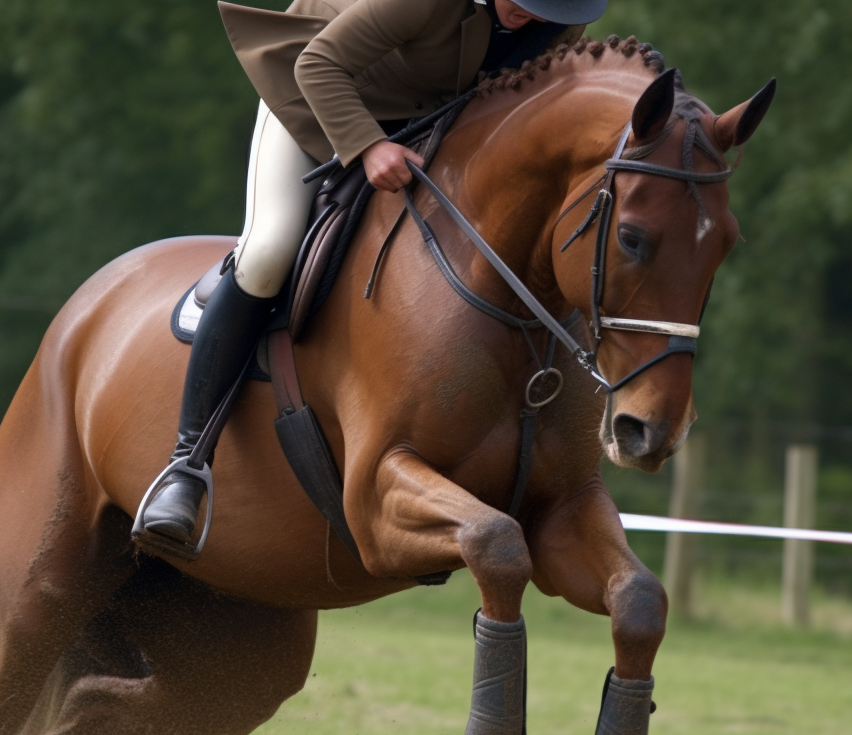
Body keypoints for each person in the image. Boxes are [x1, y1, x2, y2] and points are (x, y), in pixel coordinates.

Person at [133, 0, 608, 553]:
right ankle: (186, 465)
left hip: (428, 127)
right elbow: (317, 65)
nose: (532, 17)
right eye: (522, 3)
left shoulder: (561, 17)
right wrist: (364, 144)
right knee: (268, 251)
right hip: (321, 99)